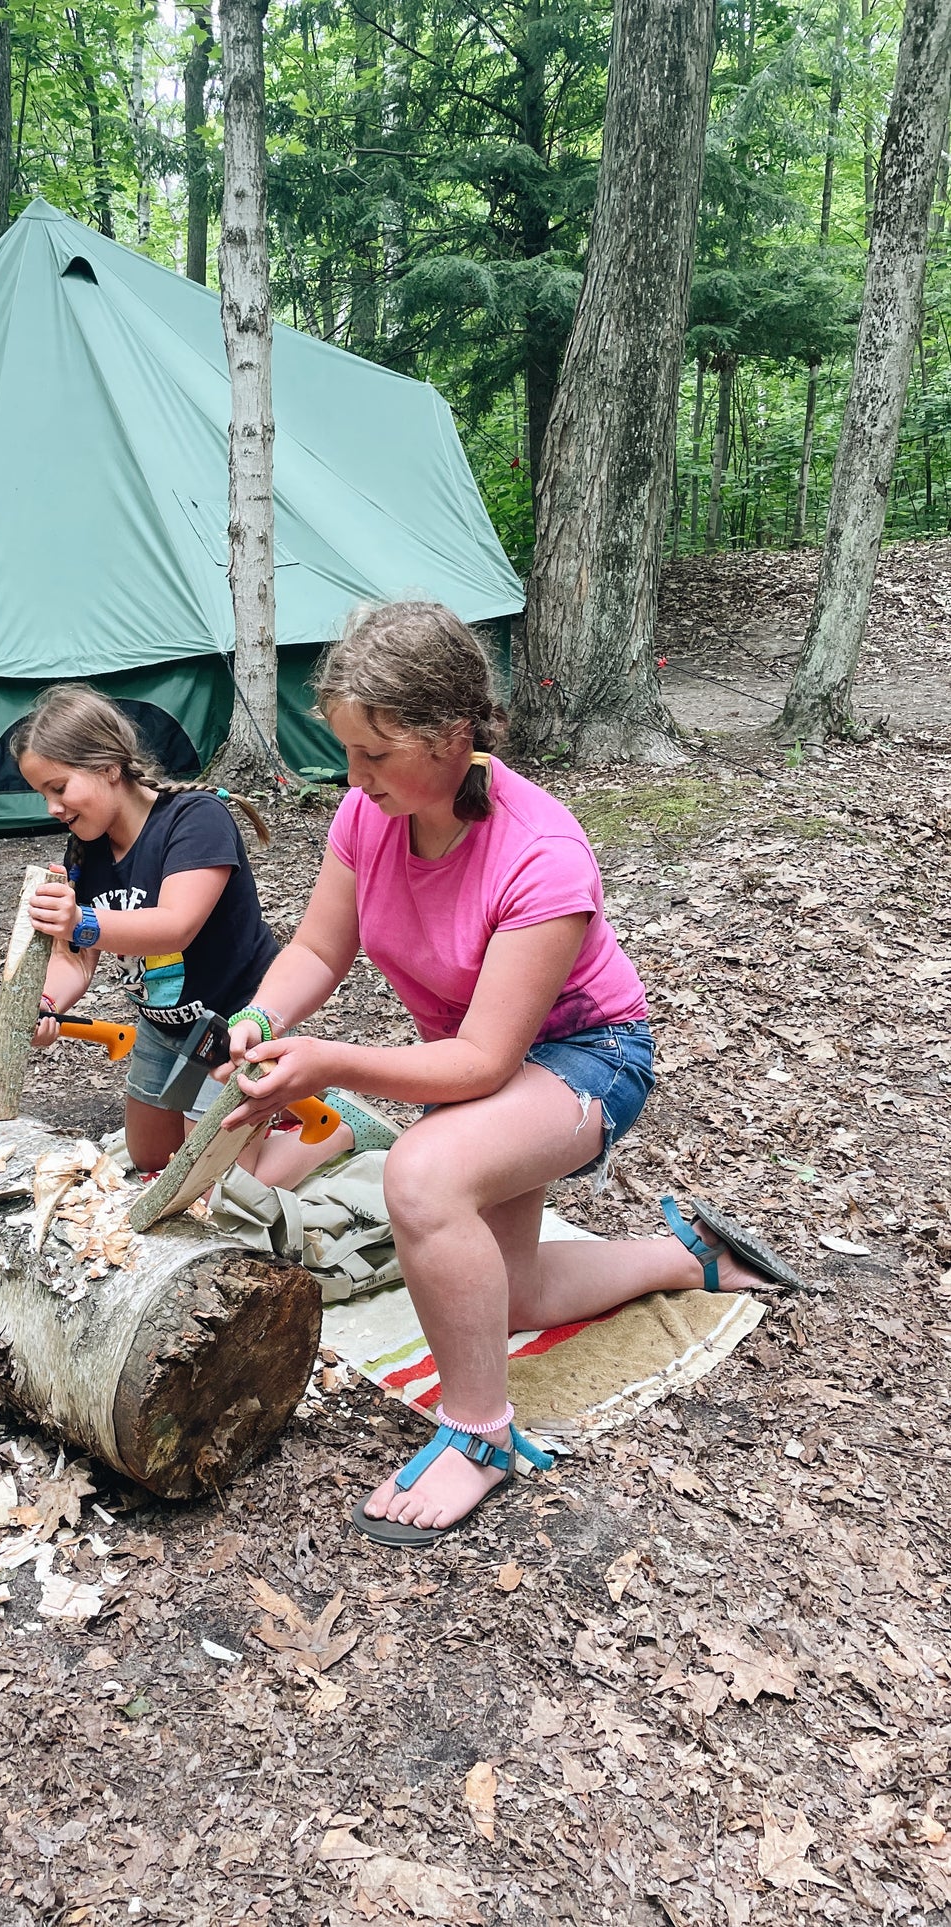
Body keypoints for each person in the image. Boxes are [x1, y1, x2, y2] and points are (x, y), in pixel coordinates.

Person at [221, 601, 803, 1548]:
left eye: (373, 754)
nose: (352, 777)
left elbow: (483, 1062)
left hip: (585, 1058)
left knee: (423, 1174)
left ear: (454, 736)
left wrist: (324, 1062)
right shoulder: (371, 814)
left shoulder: (539, 850)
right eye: (347, 753)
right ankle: (692, 1255)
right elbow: (320, 950)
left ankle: (479, 1434)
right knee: (509, 1291)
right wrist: (258, 1017)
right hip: (484, 1058)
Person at [13, 684, 394, 1175]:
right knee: (152, 1158)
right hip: (163, 1026)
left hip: (238, 1023)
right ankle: (264, 1123)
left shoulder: (196, 821)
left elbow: (176, 926)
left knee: (213, 1185)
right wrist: (46, 1007)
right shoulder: (85, 851)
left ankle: (339, 1129)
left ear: (109, 769)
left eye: (59, 788)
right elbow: (76, 960)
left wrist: (81, 920)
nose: (52, 808)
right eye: (42, 794)